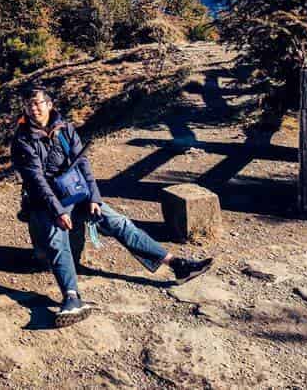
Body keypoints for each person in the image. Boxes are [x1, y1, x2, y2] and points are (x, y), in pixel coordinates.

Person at [11, 84, 213, 325]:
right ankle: (72, 298)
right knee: (57, 241)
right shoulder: (23, 140)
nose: (34, 109)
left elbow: (82, 164)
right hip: (45, 202)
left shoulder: (65, 129)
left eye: (38, 103)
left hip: (76, 194)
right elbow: (36, 180)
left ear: (49, 104)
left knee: (119, 222)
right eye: (29, 105)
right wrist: (57, 211)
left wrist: (94, 198)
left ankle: (176, 264)